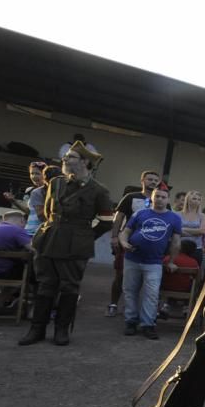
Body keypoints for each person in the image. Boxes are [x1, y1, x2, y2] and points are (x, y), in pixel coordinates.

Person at [19, 141, 114, 346]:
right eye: (66, 156)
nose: (65, 159)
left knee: (69, 288)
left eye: (71, 156)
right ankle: (37, 329)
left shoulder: (99, 190)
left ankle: (62, 330)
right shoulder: (55, 183)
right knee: (45, 285)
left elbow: (107, 222)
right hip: (49, 238)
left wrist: (85, 236)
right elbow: (46, 212)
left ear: (85, 162)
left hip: (75, 244)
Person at [118, 186, 182, 339]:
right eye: (157, 196)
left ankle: (148, 324)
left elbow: (176, 242)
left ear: (167, 200)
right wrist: (124, 243)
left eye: (163, 197)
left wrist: (172, 261)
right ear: (151, 198)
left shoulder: (174, 218)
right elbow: (125, 232)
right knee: (130, 291)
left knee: (151, 294)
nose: (159, 199)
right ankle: (131, 321)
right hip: (132, 258)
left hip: (154, 262)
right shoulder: (140, 213)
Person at [108, 170, 161, 317]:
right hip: (128, 241)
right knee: (120, 274)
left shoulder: (161, 199)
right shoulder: (131, 197)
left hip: (150, 245)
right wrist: (114, 236)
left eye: (156, 180)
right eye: (150, 179)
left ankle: (133, 308)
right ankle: (113, 304)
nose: (153, 182)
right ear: (142, 181)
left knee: (145, 278)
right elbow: (118, 217)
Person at [0, 209, 32, 309]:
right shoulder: (17, 230)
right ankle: (0, 303)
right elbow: (33, 249)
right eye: (25, 223)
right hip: (3, 272)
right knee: (26, 272)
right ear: (22, 220)